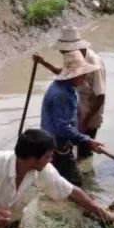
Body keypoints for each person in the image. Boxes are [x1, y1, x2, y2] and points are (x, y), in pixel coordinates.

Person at [34, 26, 106, 160]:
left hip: (91, 112)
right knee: (71, 145)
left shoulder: (94, 63)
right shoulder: (65, 87)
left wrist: (85, 122)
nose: (63, 53)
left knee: (84, 152)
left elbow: (100, 96)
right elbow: (65, 73)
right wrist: (43, 63)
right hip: (75, 109)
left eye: (64, 51)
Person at [38, 51, 107, 186]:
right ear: (73, 75)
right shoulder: (62, 94)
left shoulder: (67, 88)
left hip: (57, 141)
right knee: (74, 182)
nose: (86, 76)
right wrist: (88, 140)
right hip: (57, 145)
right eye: (82, 73)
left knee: (56, 180)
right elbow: (63, 128)